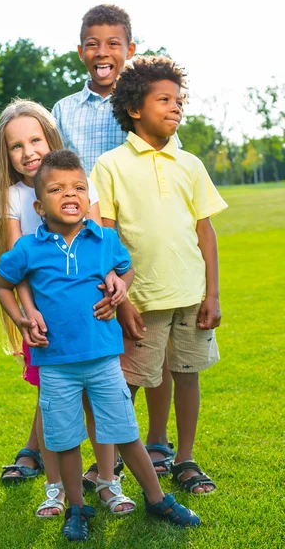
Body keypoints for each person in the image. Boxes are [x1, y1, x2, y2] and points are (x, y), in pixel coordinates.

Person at [0, 150, 201, 541]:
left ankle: (157, 499)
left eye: (78, 188)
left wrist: (122, 287)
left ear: (88, 198)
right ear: (39, 205)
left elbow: (126, 270)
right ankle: (77, 507)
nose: (70, 194)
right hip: (55, 363)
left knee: (125, 432)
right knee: (65, 439)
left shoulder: (104, 239)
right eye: (57, 189)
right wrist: (22, 317)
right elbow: (3, 283)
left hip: (104, 360)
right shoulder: (27, 249)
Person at [0, 98, 134, 517]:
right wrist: (27, 315)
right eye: (16, 146)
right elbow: (17, 268)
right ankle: (58, 488)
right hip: (46, 320)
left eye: (35, 139)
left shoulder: (80, 182)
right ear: (6, 156)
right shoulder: (13, 197)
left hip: (90, 315)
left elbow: (102, 245)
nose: (28, 151)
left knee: (97, 405)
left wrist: (115, 288)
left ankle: (107, 480)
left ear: (51, 139)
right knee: (55, 405)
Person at [90, 55, 228, 495]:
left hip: (190, 295)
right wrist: (123, 300)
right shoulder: (110, 166)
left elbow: (206, 233)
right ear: (135, 108)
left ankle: (184, 459)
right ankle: (108, 467)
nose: (176, 108)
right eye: (164, 100)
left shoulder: (189, 164)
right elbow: (106, 238)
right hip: (140, 300)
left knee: (188, 374)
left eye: (179, 100)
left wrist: (213, 294)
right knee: (127, 384)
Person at [53, 3, 177, 477]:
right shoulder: (64, 110)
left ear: (131, 50)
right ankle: (113, 456)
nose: (102, 52)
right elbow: (58, 175)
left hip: (145, 244)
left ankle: (158, 442)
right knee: (107, 355)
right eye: (92, 43)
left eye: (113, 44)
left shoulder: (147, 104)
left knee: (153, 340)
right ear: (79, 50)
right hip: (89, 248)